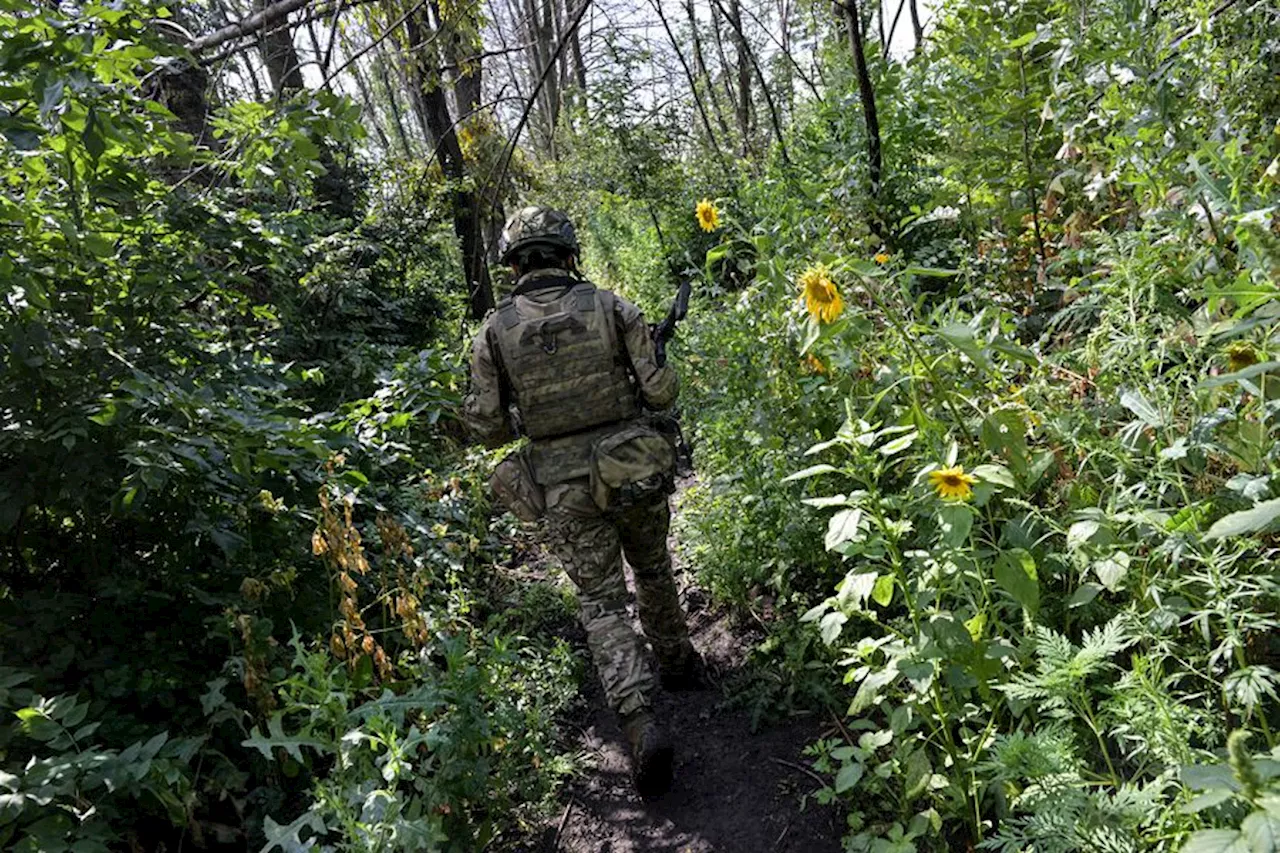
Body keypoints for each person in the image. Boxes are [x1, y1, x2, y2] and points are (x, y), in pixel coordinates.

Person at [463, 205, 701, 799]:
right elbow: (662, 392)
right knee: (651, 567)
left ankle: (640, 721)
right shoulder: (613, 306)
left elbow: (488, 431)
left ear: (514, 265)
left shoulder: (493, 333)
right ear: (569, 255)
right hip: (632, 470)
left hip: (562, 487)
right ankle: (677, 663)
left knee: (600, 604)